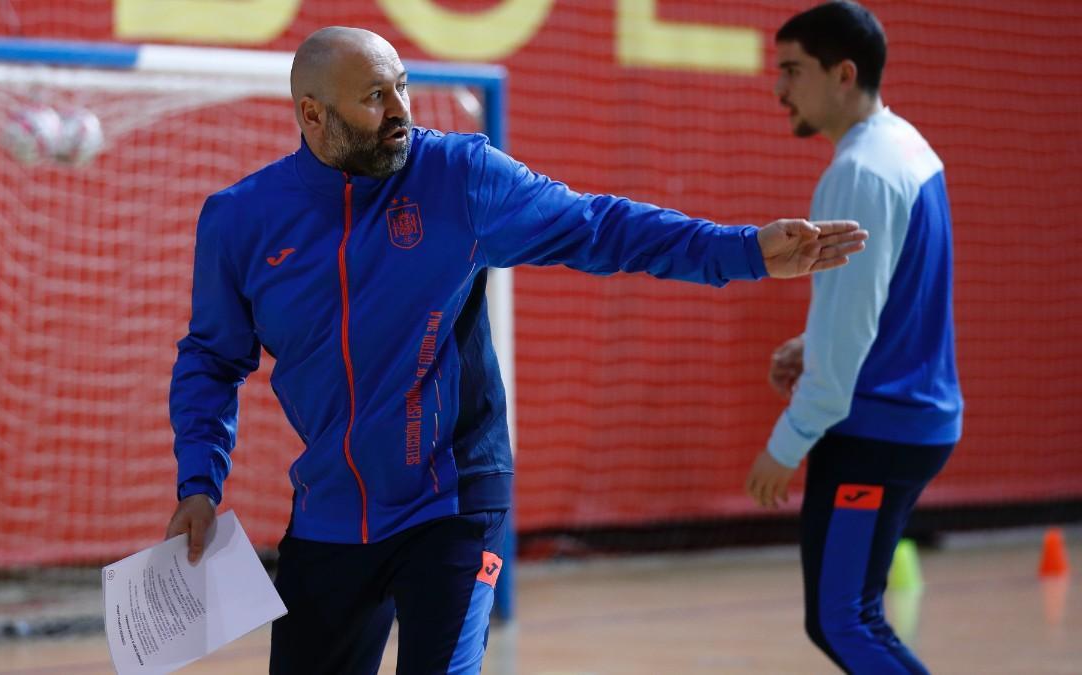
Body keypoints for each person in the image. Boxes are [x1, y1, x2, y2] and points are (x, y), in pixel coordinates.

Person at [166, 25, 866, 675]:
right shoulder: (240, 221)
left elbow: (600, 226)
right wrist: (198, 482)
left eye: (402, 86)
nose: (401, 109)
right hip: (330, 513)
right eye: (375, 97)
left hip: (455, 499)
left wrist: (742, 251)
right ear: (312, 115)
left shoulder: (458, 177)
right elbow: (212, 360)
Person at [744, 3, 963, 673]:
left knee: (843, 619)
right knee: (848, 615)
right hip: (905, 422)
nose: (779, 90)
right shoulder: (906, 146)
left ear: (844, 74)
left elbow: (853, 330)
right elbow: (884, 296)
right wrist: (814, 339)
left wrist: (789, 439)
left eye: (792, 71)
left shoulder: (858, 173)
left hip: (876, 431)